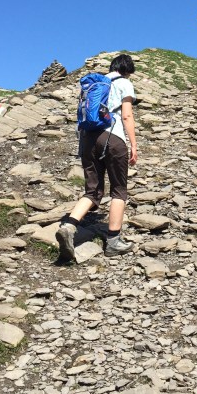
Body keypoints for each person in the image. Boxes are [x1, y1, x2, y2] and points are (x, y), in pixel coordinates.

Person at [56, 53, 138, 259]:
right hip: (112, 138)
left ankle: (69, 226)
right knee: (118, 190)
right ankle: (113, 242)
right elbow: (127, 115)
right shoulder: (124, 83)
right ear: (127, 70)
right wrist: (133, 145)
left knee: (93, 191)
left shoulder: (93, 86)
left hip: (88, 139)